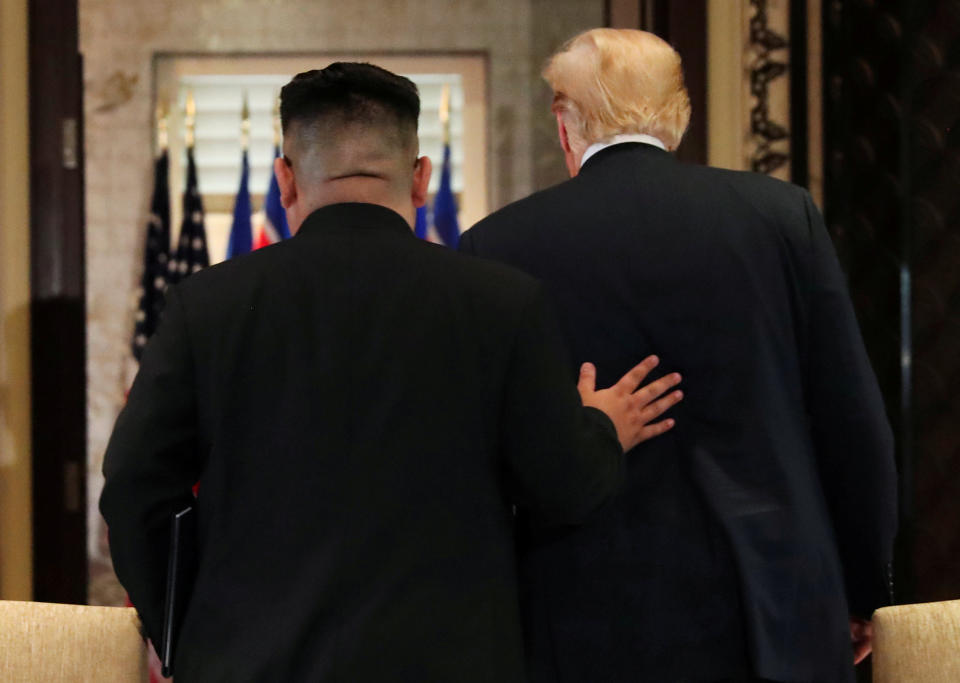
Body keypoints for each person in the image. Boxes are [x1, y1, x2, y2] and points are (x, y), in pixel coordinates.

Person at [100, 62, 684, 683]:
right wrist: (599, 428)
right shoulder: (502, 303)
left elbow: (134, 488)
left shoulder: (206, 307)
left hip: (250, 662)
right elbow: (562, 487)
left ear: (285, 181)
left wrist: (182, 626)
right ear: (422, 177)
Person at [460, 28, 898, 683]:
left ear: (563, 123)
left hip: (577, 615)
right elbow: (851, 420)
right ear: (680, 115)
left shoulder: (495, 245)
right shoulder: (781, 218)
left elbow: (482, 459)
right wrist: (863, 589)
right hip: (769, 610)